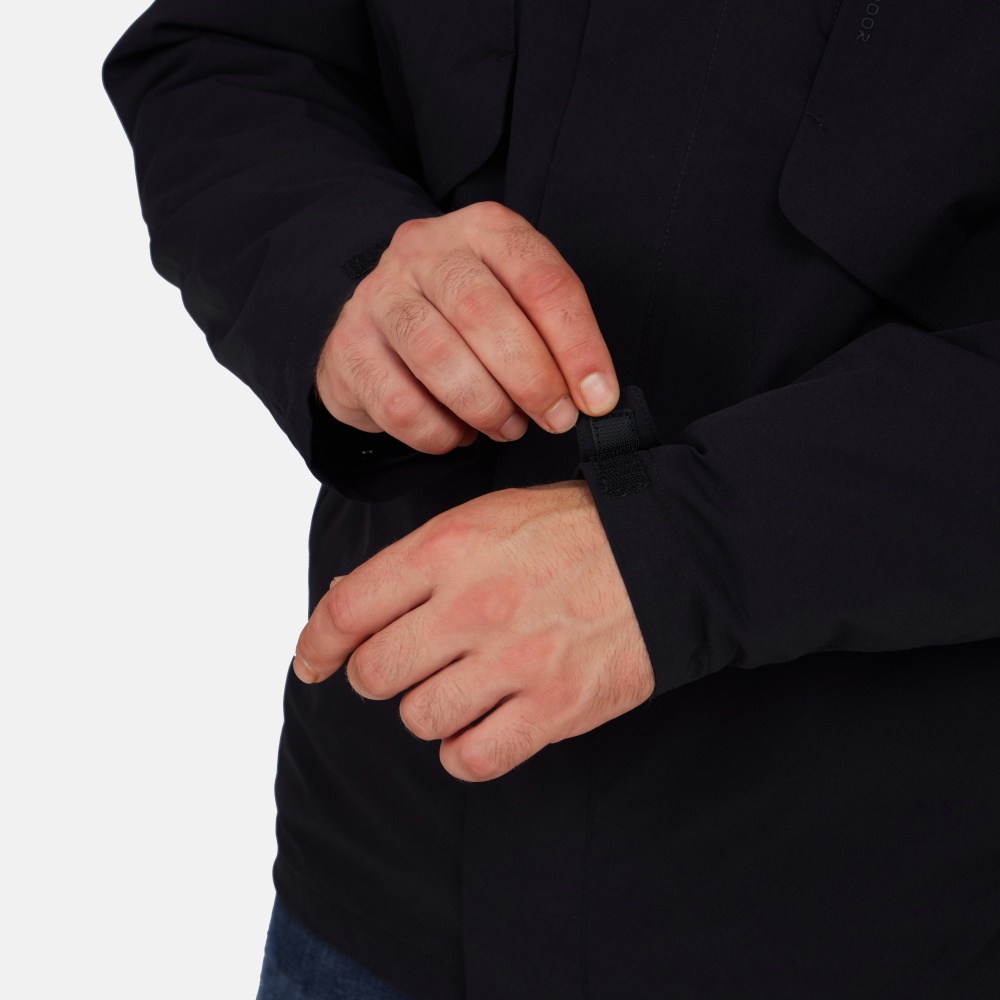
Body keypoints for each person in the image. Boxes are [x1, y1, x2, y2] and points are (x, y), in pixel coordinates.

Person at [104, 1, 1000, 997]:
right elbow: (229, 48)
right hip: (377, 896)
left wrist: (684, 549)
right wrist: (345, 276)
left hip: (873, 923)